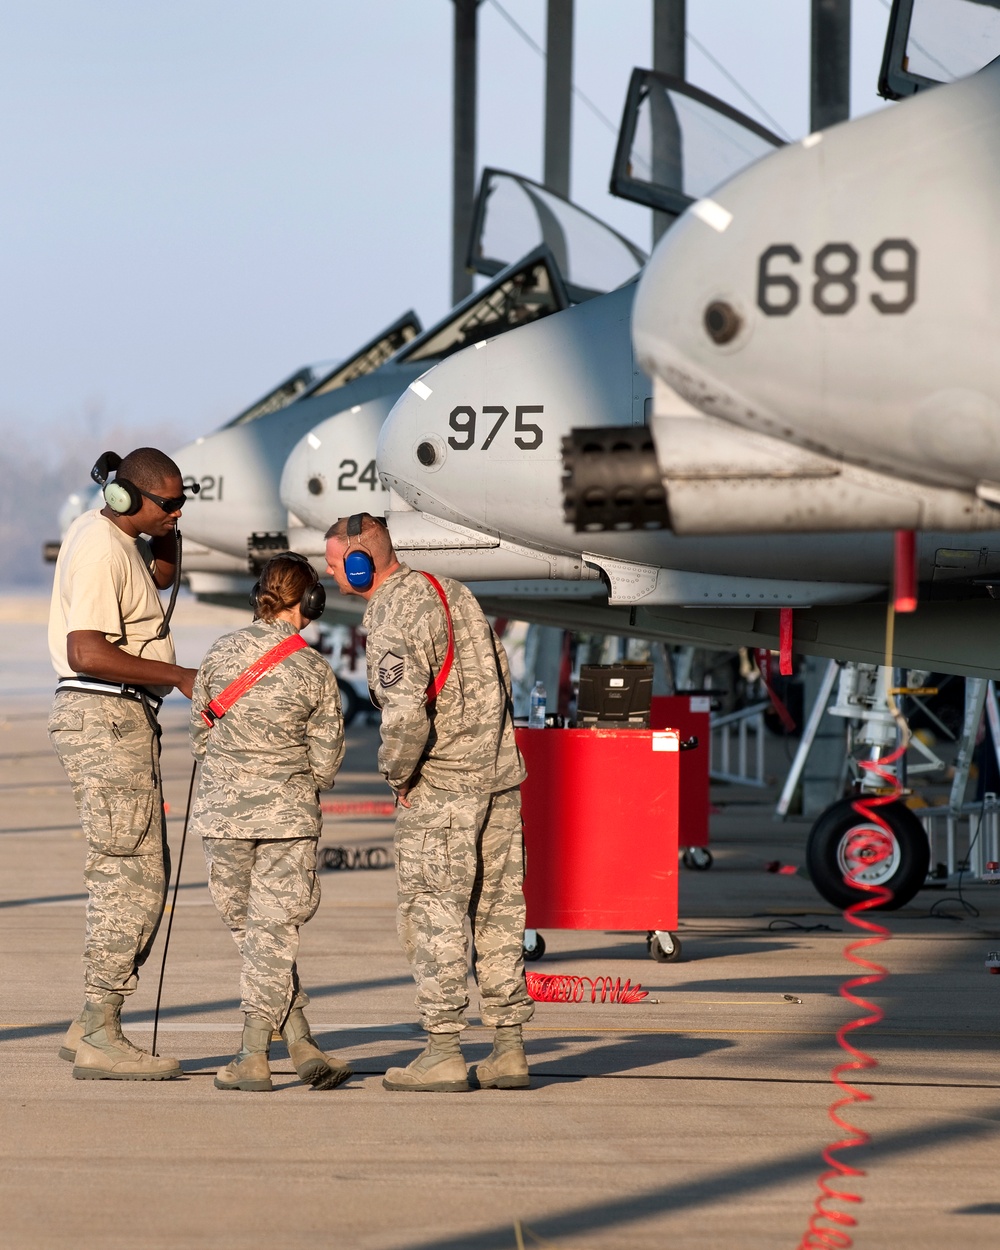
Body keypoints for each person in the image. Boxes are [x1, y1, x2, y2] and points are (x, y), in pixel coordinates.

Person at [324, 513, 533, 1093]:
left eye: (337, 561)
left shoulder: (391, 616)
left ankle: (443, 1048)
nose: (332, 572)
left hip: (442, 792)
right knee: (498, 913)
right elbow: (502, 677)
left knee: (433, 916)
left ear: (362, 561)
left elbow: (406, 716)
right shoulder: (452, 591)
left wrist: (397, 775)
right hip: (498, 780)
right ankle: (509, 1047)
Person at [49, 447, 198, 1080]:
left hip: (122, 717)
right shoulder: (100, 548)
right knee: (130, 880)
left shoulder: (121, 536)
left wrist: (170, 527)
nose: (178, 511)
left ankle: (89, 1023)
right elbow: (86, 651)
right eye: (169, 502)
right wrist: (180, 676)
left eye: (183, 501)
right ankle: (102, 1031)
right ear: (126, 499)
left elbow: (160, 582)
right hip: (105, 713)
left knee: (143, 870)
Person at [189, 553, 351, 1093]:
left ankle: (296, 1043)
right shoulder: (312, 670)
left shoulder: (218, 653)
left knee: (255, 934)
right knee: (272, 934)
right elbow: (327, 765)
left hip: (223, 818)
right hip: (288, 819)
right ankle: (258, 1053)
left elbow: (200, 734)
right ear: (310, 602)